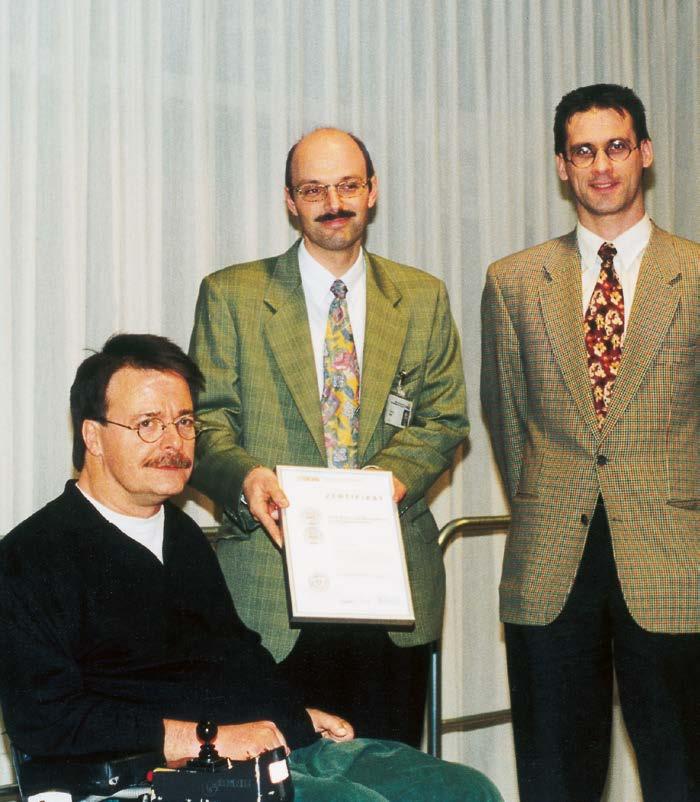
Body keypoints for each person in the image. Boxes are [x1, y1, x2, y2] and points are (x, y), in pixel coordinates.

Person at [0, 333, 500, 802]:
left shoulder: (181, 535)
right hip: (150, 773)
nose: (174, 442)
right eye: (148, 424)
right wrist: (210, 738)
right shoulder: (30, 557)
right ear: (93, 436)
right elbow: (45, 721)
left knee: (462, 790)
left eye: (185, 422)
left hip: (257, 747)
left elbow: (235, 653)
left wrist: (294, 715)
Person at [188, 127, 469, 747]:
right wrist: (248, 478)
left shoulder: (422, 297)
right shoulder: (232, 295)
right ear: (290, 200)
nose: (333, 203)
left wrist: (389, 482)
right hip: (271, 593)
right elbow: (203, 424)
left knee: (389, 775)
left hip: (389, 590)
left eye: (347, 186)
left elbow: (445, 419)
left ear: (372, 192)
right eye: (314, 189)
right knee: (280, 779)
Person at [480, 83, 699, 802]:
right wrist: (549, 499)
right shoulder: (513, 282)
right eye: (583, 151)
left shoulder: (695, 274)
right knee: (555, 782)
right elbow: (508, 421)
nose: (601, 166)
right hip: (551, 568)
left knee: (681, 777)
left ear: (646, 154)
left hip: (675, 569)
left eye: (616, 147)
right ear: (562, 166)